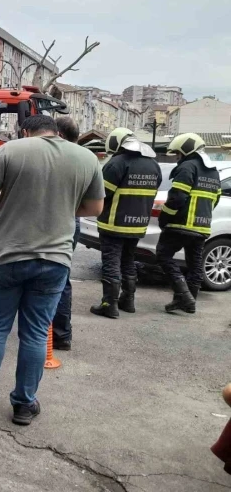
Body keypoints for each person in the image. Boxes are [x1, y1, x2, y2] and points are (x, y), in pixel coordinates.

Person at [0, 115, 104, 427]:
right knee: (37, 333)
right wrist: (64, 206)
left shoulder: (11, 150)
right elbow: (94, 208)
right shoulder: (85, 157)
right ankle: (24, 405)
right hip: (54, 261)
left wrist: (12, 200)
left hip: (7, 256)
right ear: (57, 131)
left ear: (26, 131)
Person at [90, 128, 161, 319]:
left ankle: (109, 305)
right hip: (137, 226)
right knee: (129, 261)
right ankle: (128, 301)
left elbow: (102, 194)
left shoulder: (117, 163)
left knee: (111, 262)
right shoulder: (154, 165)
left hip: (114, 224)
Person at [156, 133, 221, 314]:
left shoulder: (187, 167)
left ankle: (184, 295)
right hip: (202, 227)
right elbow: (214, 200)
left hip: (181, 225)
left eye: (178, 153)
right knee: (194, 266)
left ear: (186, 150)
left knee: (163, 256)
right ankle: (187, 302)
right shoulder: (213, 170)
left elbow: (177, 198)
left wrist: (165, 217)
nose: (177, 156)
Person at [52, 117, 81, 350]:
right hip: (73, 220)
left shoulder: (55, 157)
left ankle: (42, 332)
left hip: (54, 220)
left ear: (59, 135)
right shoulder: (83, 158)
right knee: (61, 275)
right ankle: (62, 336)